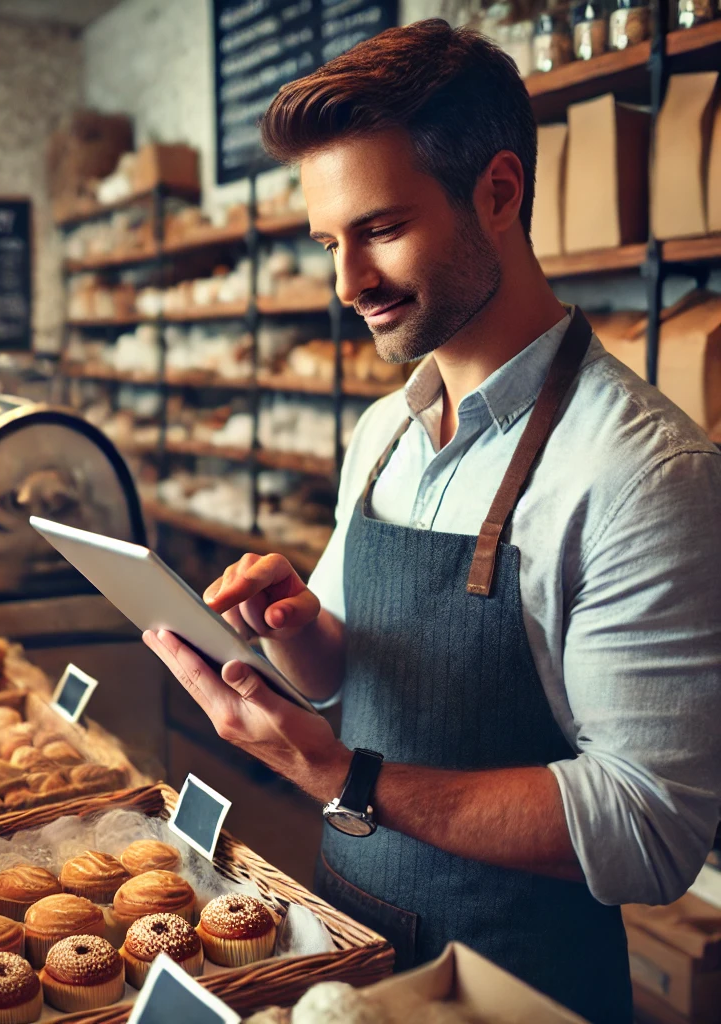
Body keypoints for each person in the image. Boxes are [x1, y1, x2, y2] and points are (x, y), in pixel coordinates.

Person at [142, 19, 721, 1024]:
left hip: (512, 985)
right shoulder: (384, 431)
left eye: (379, 229)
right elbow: (338, 677)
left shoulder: (641, 472)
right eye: (330, 241)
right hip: (350, 941)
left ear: (498, 193)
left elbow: (650, 829)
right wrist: (297, 627)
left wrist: (347, 776)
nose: (345, 285)